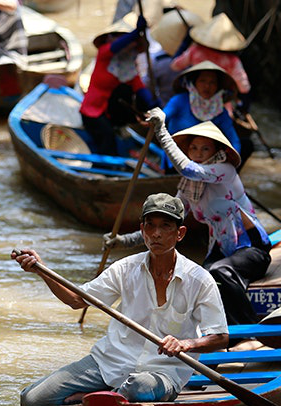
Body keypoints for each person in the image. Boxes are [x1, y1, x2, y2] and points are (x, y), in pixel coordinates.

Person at [12, 193, 229, 406]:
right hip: (110, 361)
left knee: (141, 387)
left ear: (179, 233)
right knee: (32, 400)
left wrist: (186, 344)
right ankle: (108, 395)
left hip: (162, 373)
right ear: (142, 229)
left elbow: (220, 338)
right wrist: (41, 270)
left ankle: (95, 399)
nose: (156, 233)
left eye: (165, 226)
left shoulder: (200, 280)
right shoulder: (124, 269)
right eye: (150, 226)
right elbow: (76, 300)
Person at [106, 113, 271, 325]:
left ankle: (248, 330)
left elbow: (187, 168)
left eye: (205, 149)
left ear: (216, 152)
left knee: (218, 271)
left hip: (252, 248)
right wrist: (123, 241)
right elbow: (164, 224)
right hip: (220, 251)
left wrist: (161, 130)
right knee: (197, 280)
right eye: (193, 148)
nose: (198, 153)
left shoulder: (225, 170)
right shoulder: (189, 186)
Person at [80, 15, 156, 156]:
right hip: (93, 112)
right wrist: (136, 32)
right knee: (107, 139)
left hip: (113, 113)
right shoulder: (104, 54)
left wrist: (154, 105)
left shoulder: (128, 68)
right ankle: (108, 170)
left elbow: (140, 89)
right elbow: (116, 47)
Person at [163, 60, 241, 155]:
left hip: (204, 163)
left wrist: (232, 160)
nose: (207, 86)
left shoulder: (220, 111)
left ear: (218, 87)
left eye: (212, 83)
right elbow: (163, 116)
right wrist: (154, 119)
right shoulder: (179, 100)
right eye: (202, 81)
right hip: (175, 156)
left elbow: (234, 140)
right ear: (194, 83)